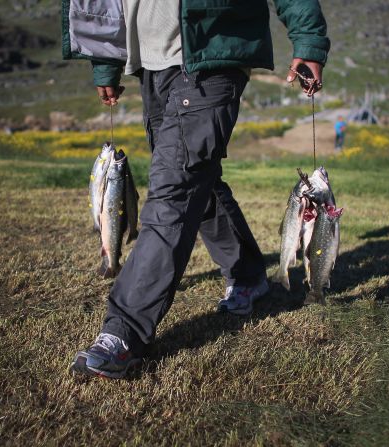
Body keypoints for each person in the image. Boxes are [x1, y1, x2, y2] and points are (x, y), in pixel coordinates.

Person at [63, 0, 329, 379]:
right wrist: (106, 61)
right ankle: (250, 274)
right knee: (196, 180)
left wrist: (308, 42)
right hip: (152, 65)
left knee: (173, 193)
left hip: (210, 55)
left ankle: (123, 333)